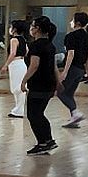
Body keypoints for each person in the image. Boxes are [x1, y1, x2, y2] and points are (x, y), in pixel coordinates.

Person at [20, 16, 59, 155]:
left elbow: (34, 65)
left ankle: (43, 143)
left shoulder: (36, 46)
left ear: (37, 29)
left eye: (32, 26)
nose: (30, 28)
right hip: (49, 84)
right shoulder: (50, 45)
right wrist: (58, 83)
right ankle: (48, 140)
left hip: (38, 84)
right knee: (39, 113)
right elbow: (54, 67)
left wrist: (23, 81)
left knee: (33, 114)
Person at [58, 12, 88, 129]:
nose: (71, 22)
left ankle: (75, 112)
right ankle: (74, 118)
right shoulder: (87, 37)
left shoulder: (71, 36)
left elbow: (71, 54)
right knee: (69, 93)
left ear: (77, 22)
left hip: (73, 68)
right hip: (80, 69)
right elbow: (87, 56)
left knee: (60, 92)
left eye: (72, 20)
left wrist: (64, 72)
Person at [1, 19, 28, 118]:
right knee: (19, 87)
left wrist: (5, 65)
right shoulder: (23, 40)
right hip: (22, 63)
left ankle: (19, 110)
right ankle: (18, 109)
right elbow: (26, 51)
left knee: (17, 88)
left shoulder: (14, 40)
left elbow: (13, 53)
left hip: (15, 64)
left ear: (15, 29)